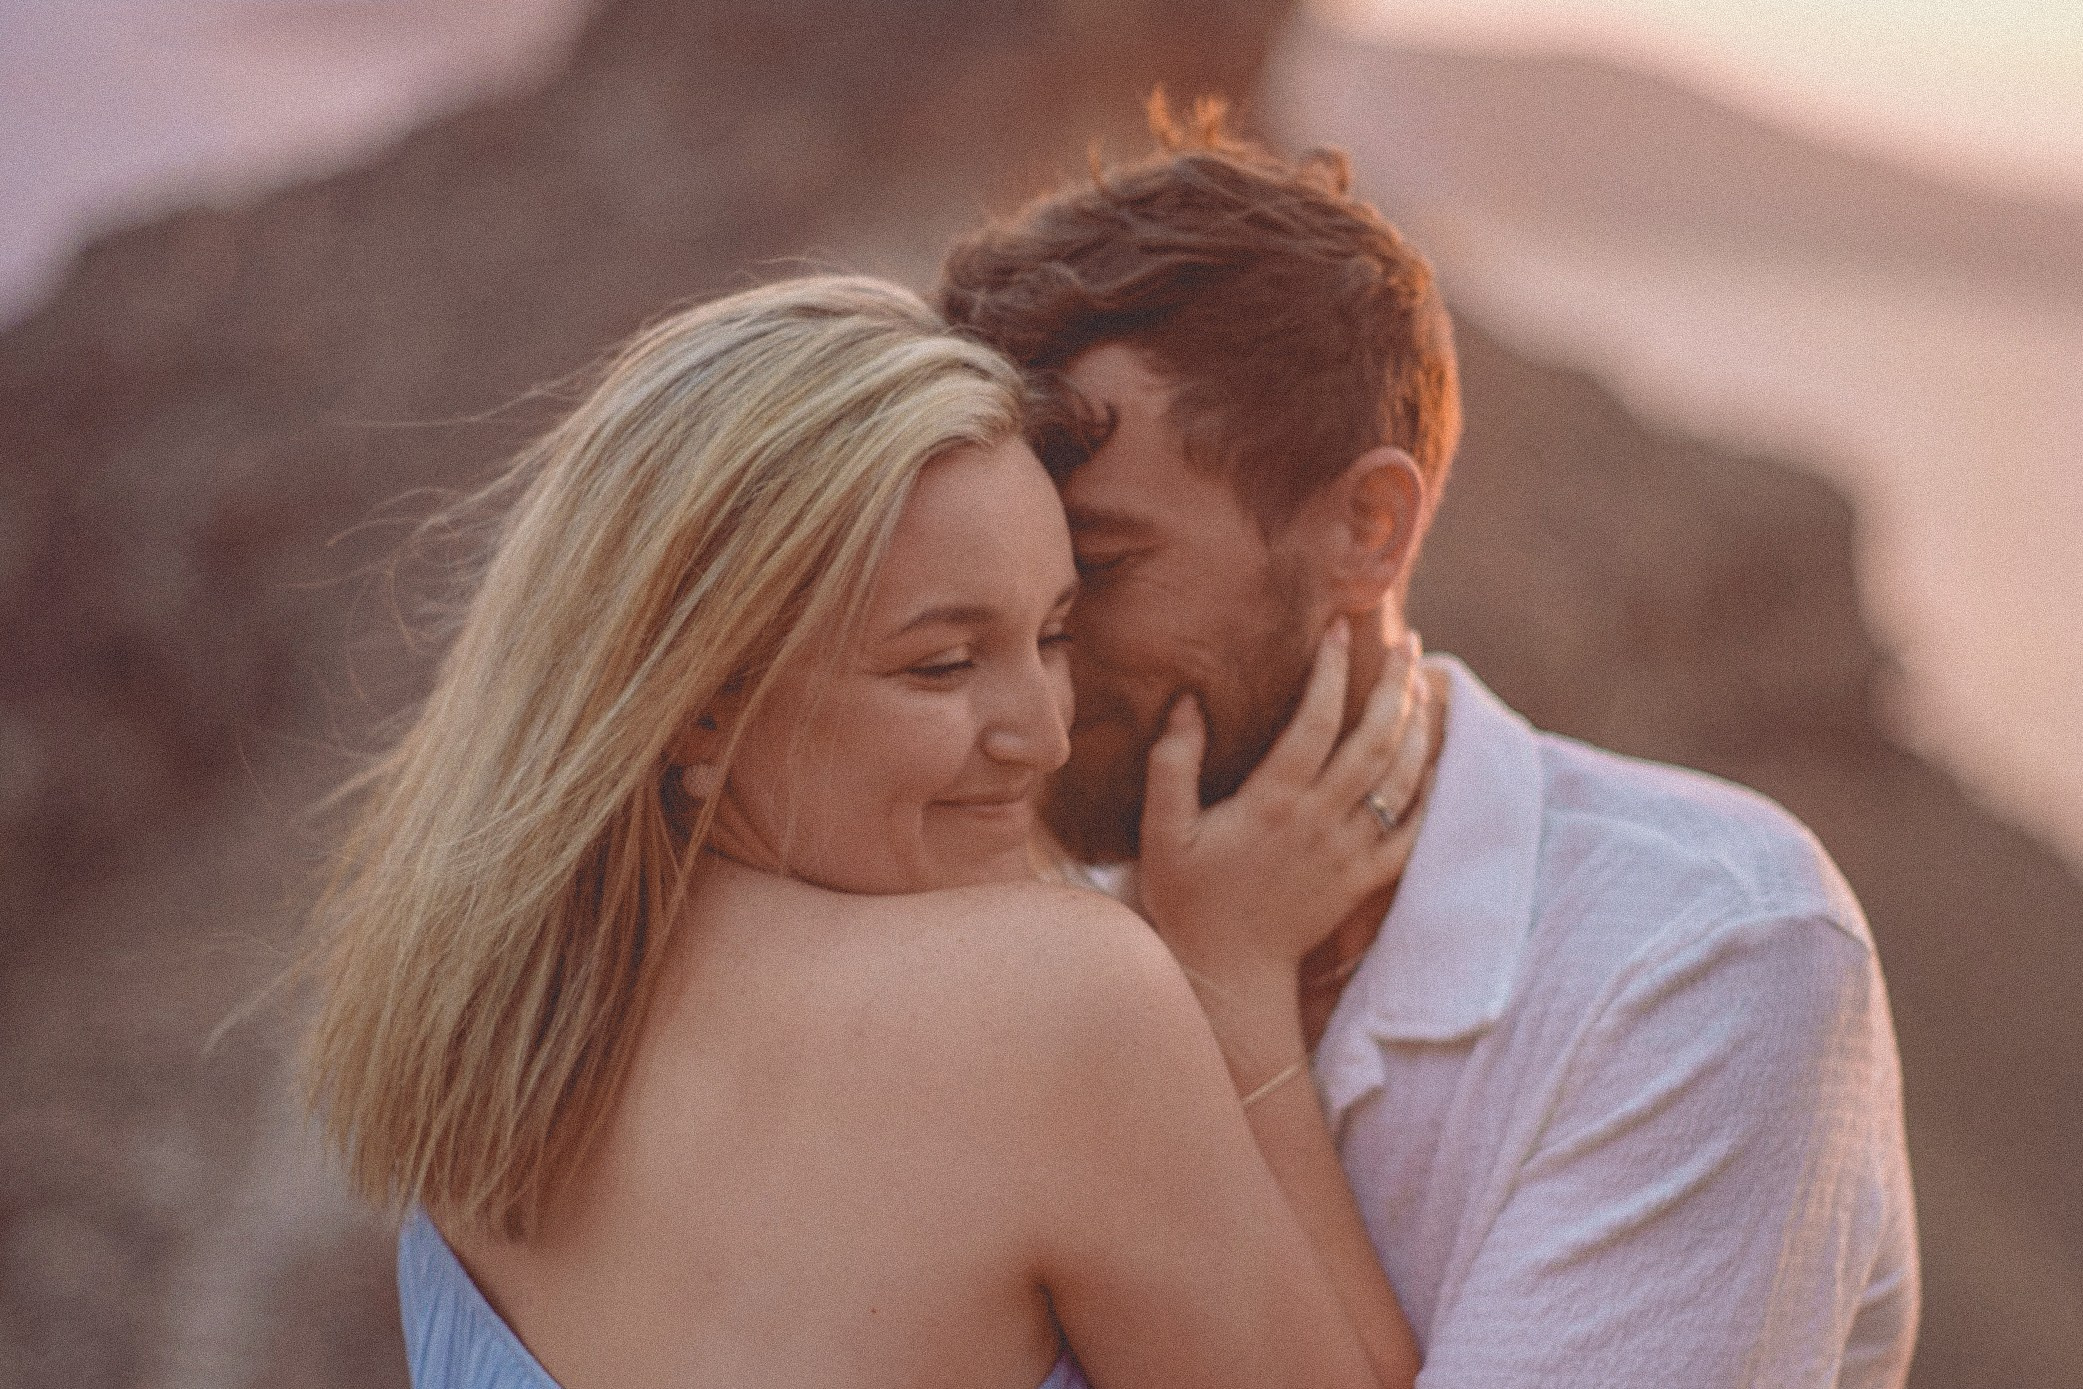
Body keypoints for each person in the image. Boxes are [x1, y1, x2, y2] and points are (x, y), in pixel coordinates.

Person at [299, 275, 1444, 1388]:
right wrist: (1233, 976)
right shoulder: (1059, 1007)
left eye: (1051, 634)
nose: (1044, 737)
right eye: (941, 665)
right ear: (697, 697)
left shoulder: (484, 1026)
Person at [937, 98, 1920, 1388]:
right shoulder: (1008, 894)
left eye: (1099, 566)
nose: (1034, 682)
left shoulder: (1704, 955)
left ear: (1367, 529)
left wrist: (1229, 1004)